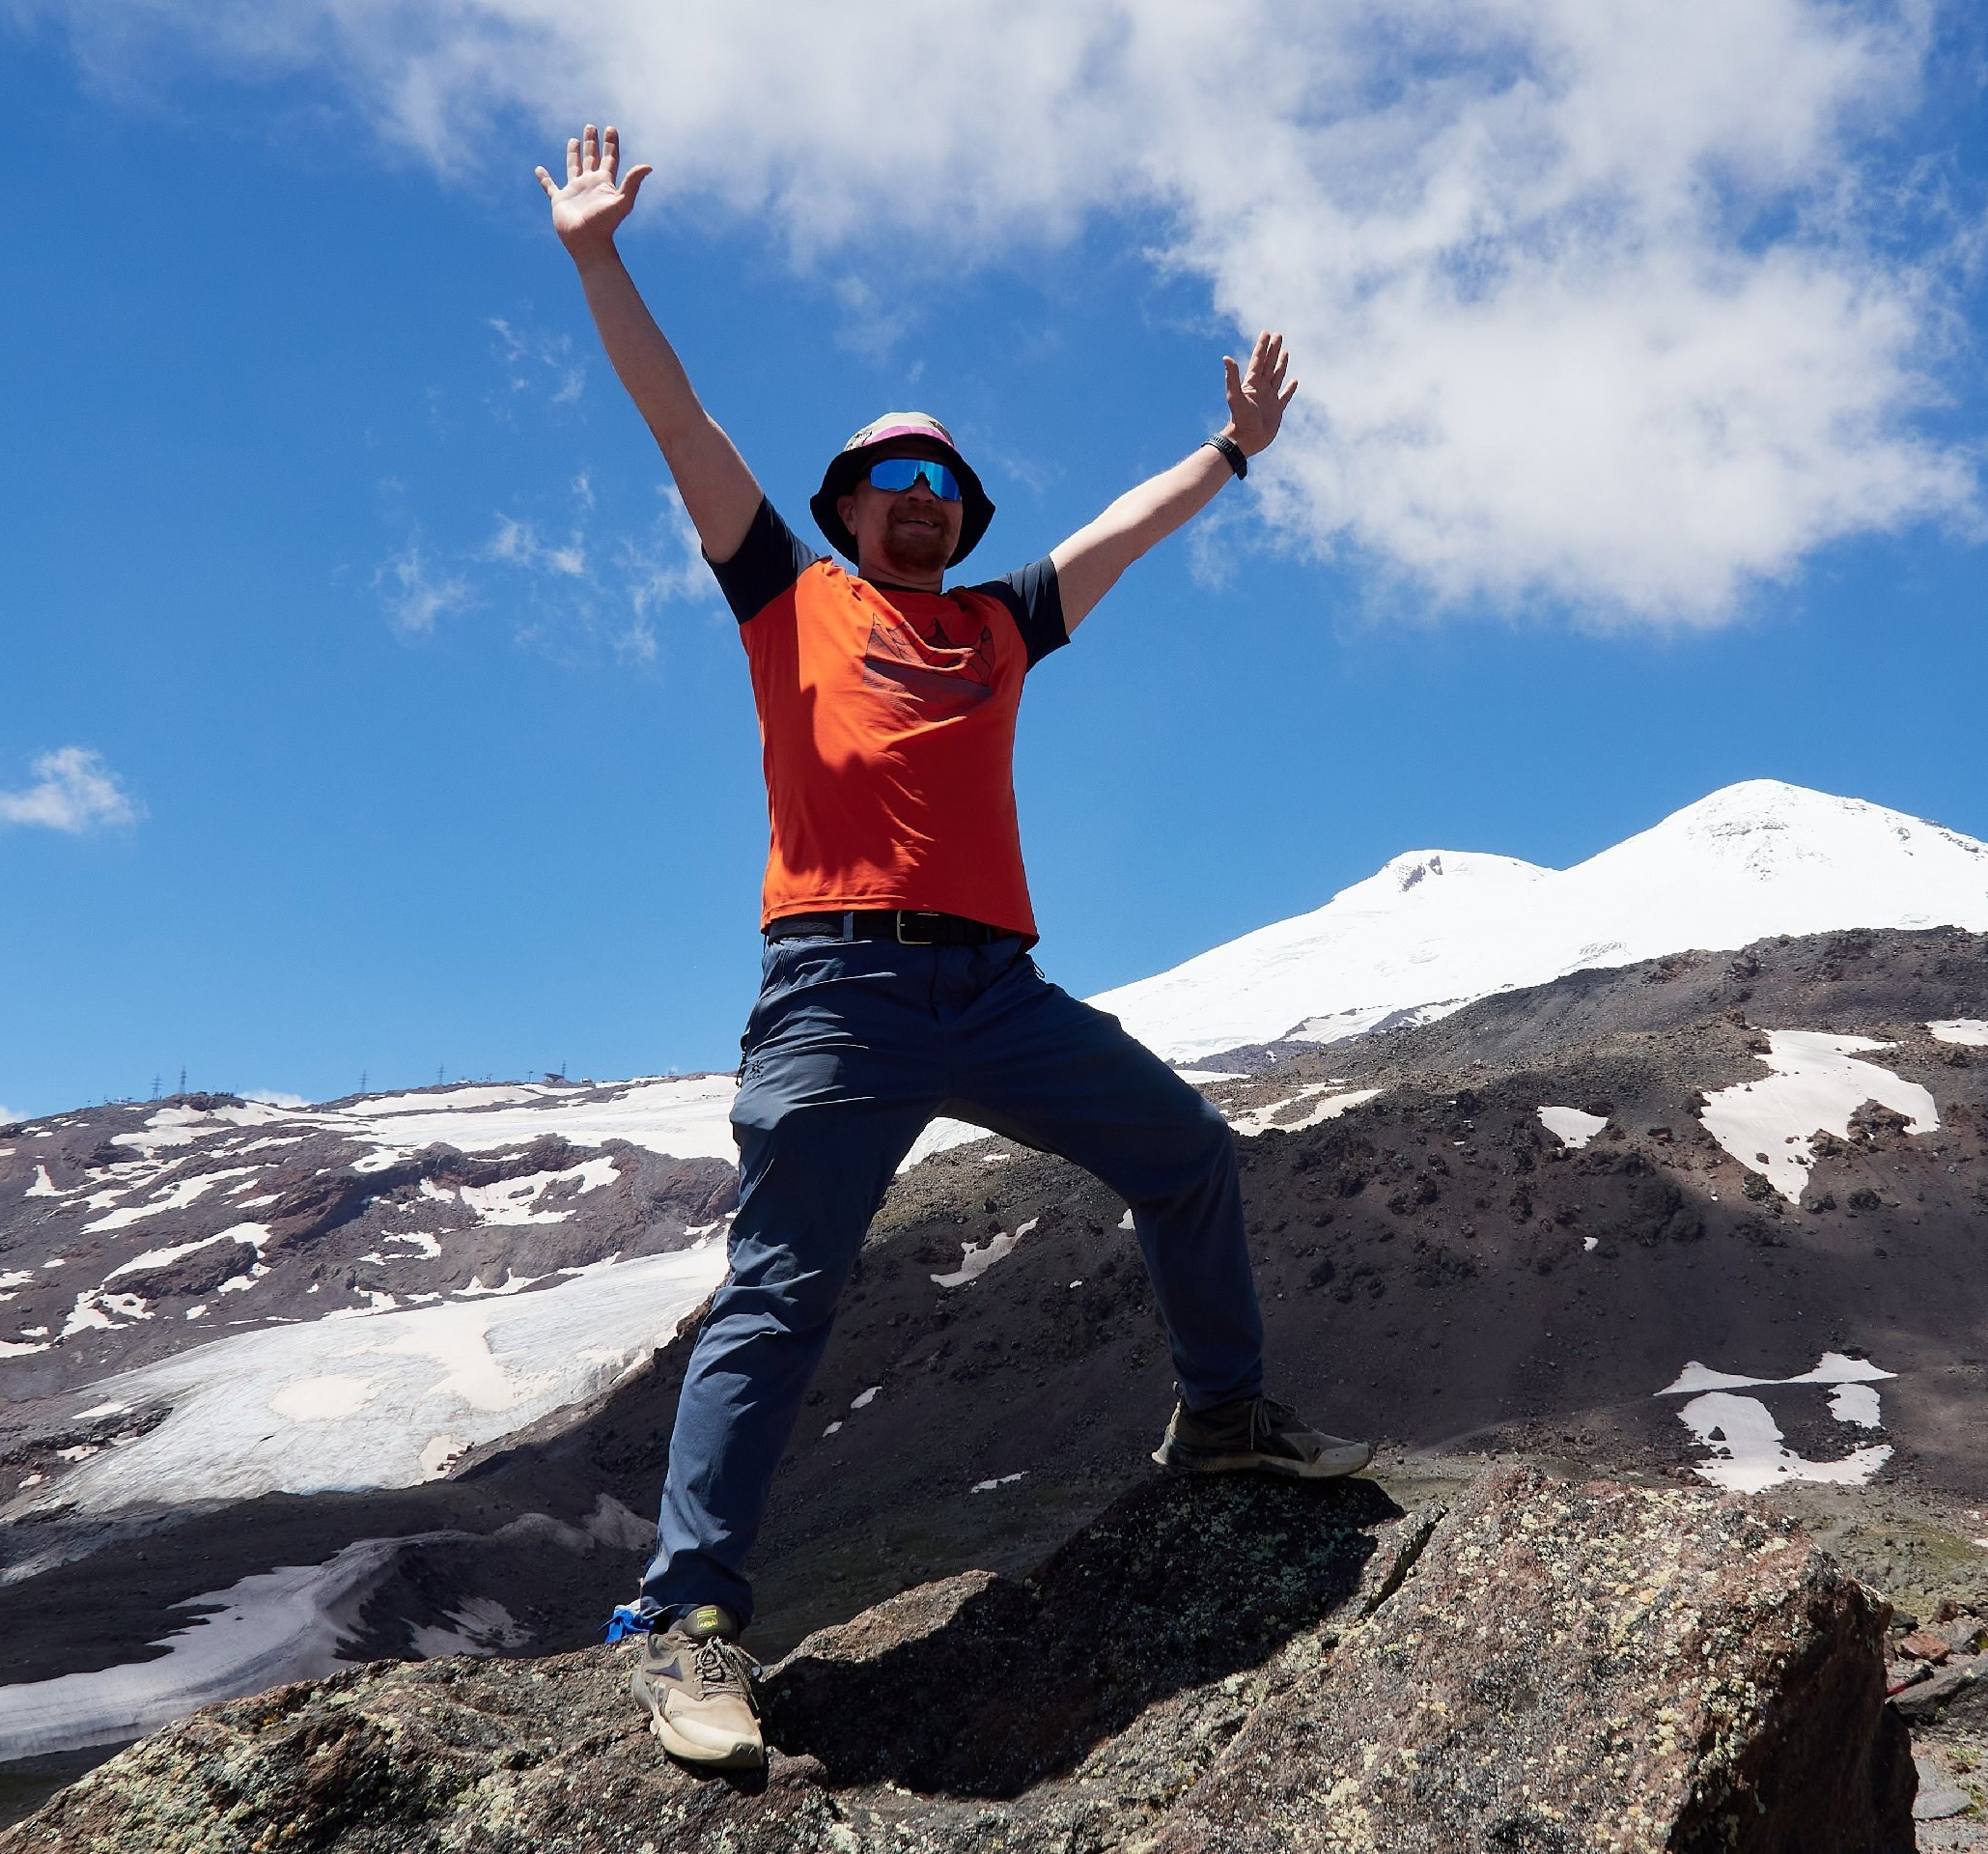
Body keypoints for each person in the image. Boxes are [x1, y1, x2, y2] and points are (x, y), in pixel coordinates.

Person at [536, 125, 1373, 1772]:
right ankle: (687, 1617)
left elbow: (1120, 539)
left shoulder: (995, 626)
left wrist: (1233, 453)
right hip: (836, 990)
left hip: (994, 990)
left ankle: (1224, 1421)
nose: (917, 507)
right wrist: (596, 257)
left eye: (941, 489)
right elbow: (680, 423)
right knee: (781, 1292)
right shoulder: (788, 594)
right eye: (889, 486)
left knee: (1188, 1152)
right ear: (847, 507)